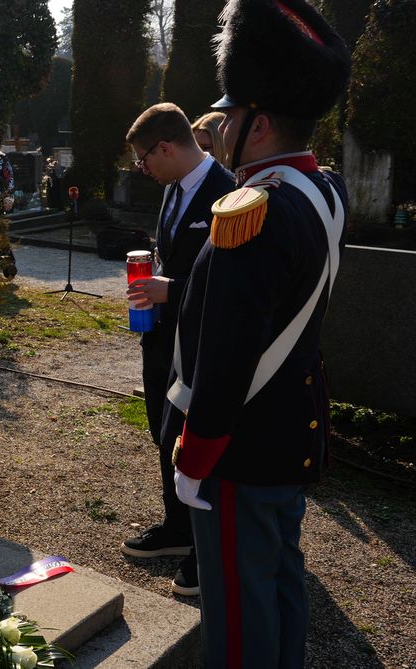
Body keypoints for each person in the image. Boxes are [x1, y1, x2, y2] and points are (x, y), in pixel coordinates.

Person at [163, 1, 351, 666]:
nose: (218, 125)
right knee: (279, 581)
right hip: (290, 428)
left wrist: (194, 456)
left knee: (239, 611)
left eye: (231, 114)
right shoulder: (324, 191)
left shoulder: (254, 211)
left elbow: (230, 350)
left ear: (260, 125)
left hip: (238, 445)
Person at [120, 103, 235, 597]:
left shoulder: (229, 193)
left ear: (165, 148)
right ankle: (177, 526)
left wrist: (173, 288)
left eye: (144, 159)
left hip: (202, 342)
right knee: (163, 434)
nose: (142, 169)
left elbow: (232, 284)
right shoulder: (172, 188)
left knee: (195, 441)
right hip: (162, 336)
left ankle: (205, 547)